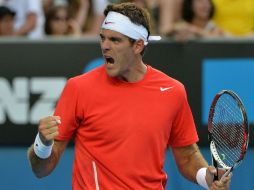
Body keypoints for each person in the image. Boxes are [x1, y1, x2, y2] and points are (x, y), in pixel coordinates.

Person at [27, 2, 231, 190]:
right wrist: (42, 144)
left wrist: (207, 177)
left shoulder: (173, 91)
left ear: (138, 46)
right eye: (103, 37)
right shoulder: (78, 88)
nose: (105, 46)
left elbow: (187, 157)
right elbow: (41, 170)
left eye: (115, 40)